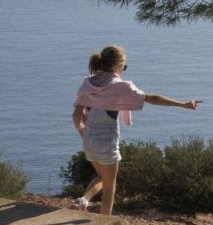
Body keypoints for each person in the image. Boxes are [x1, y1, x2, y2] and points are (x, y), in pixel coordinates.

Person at [71, 45, 200, 215]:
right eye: (124, 66)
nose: (123, 70)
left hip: (88, 141)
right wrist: (183, 104)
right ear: (118, 64)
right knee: (110, 188)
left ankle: (83, 201)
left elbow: (76, 116)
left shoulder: (88, 83)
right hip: (106, 142)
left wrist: (82, 130)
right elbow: (152, 98)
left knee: (102, 177)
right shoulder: (120, 86)